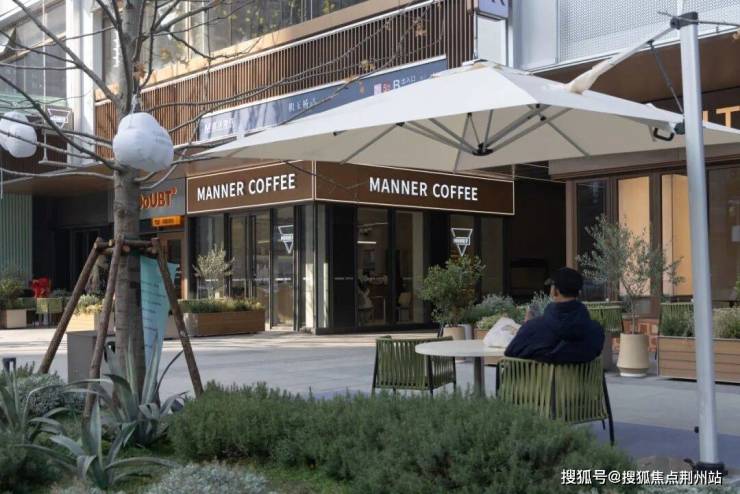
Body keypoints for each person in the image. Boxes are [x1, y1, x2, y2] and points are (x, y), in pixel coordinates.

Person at [505, 267, 604, 364]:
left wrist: (526, 327)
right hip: (581, 376)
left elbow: (510, 353)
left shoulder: (533, 329)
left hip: (542, 376)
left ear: (555, 291)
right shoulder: (595, 331)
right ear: (579, 292)